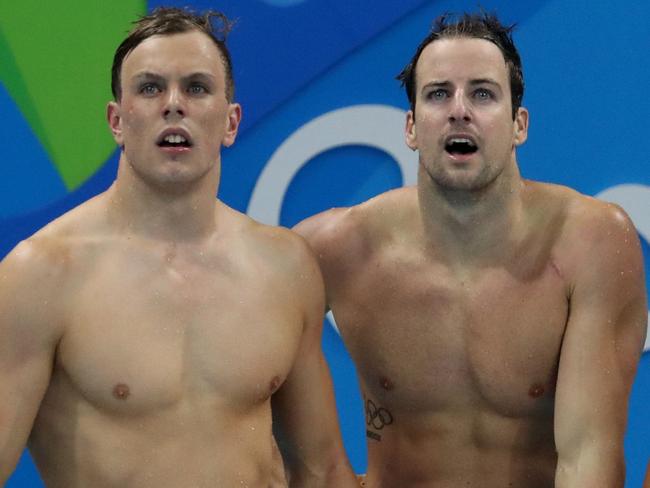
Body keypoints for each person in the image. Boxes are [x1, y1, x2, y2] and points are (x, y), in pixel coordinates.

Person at [0, 7, 357, 488]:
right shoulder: (41, 274)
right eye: (150, 88)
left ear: (231, 123)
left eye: (196, 87)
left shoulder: (285, 266)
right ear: (116, 121)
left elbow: (324, 472)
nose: (173, 104)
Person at [295, 12, 647, 488]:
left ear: (519, 125)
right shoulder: (334, 248)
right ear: (412, 127)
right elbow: (239, 411)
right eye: (438, 94)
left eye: (482, 93)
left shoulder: (592, 242)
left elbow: (588, 457)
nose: (459, 110)